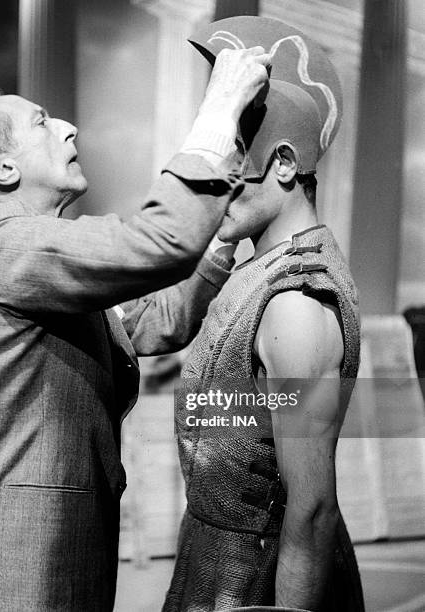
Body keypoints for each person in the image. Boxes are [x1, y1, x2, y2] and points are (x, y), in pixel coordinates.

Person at [0, 48, 270, 611]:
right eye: (41, 121)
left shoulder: (34, 252)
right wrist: (220, 105)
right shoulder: (1, 240)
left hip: (52, 554)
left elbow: (153, 323)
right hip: (13, 566)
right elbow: (160, 242)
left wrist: (224, 238)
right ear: (1, 169)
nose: (67, 126)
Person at [164, 16, 364, 612]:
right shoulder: (261, 269)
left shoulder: (298, 304)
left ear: (281, 164)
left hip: (255, 581)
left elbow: (311, 505)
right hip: (217, 560)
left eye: (230, 161)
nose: (214, 182)